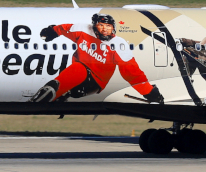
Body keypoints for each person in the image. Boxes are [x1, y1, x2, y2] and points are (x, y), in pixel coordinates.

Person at [29, 13, 163, 104]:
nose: (105, 30)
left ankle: (51, 91)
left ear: (113, 28)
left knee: (78, 69)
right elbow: (66, 29)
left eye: (108, 27)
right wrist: (53, 31)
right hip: (76, 74)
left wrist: (149, 92)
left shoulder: (118, 45)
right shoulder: (84, 30)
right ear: (95, 26)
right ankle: (51, 93)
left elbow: (133, 74)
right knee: (76, 75)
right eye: (101, 26)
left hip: (95, 82)